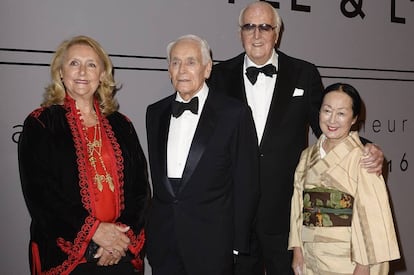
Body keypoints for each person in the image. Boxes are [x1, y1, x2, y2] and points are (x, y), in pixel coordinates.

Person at [207, 1, 385, 274]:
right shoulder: (218, 77)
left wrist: (367, 147)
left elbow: (325, 125)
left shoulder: (303, 72)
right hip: (236, 212)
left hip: (286, 213)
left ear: (276, 33)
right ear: (239, 33)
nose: (257, 35)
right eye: (249, 27)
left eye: (265, 27)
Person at [18, 35, 150, 275]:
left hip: (119, 253)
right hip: (66, 258)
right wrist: (94, 233)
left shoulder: (122, 125)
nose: (82, 72)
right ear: (60, 72)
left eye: (91, 64)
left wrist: (117, 240)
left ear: (102, 74)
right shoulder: (41, 124)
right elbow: (41, 196)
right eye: (74, 63)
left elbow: (140, 190)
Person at [145, 34, 260, 275]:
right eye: (175, 62)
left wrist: (237, 245)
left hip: (214, 245)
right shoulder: (155, 112)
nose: (182, 69)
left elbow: (246, 183)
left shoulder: (234, 113)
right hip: (165, 243)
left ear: (207, 69)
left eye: (191, 62)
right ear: (169, 70)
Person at [288, 83, 400, 274]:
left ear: (354, 118)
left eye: (341, 113)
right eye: (327, 111)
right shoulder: (307, 155)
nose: (332, 120)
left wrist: (364, 266)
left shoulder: (364, 158)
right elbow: (298, 206)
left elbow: (372, 219)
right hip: (310, 258)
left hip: (347, 259)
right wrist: (297, 251)